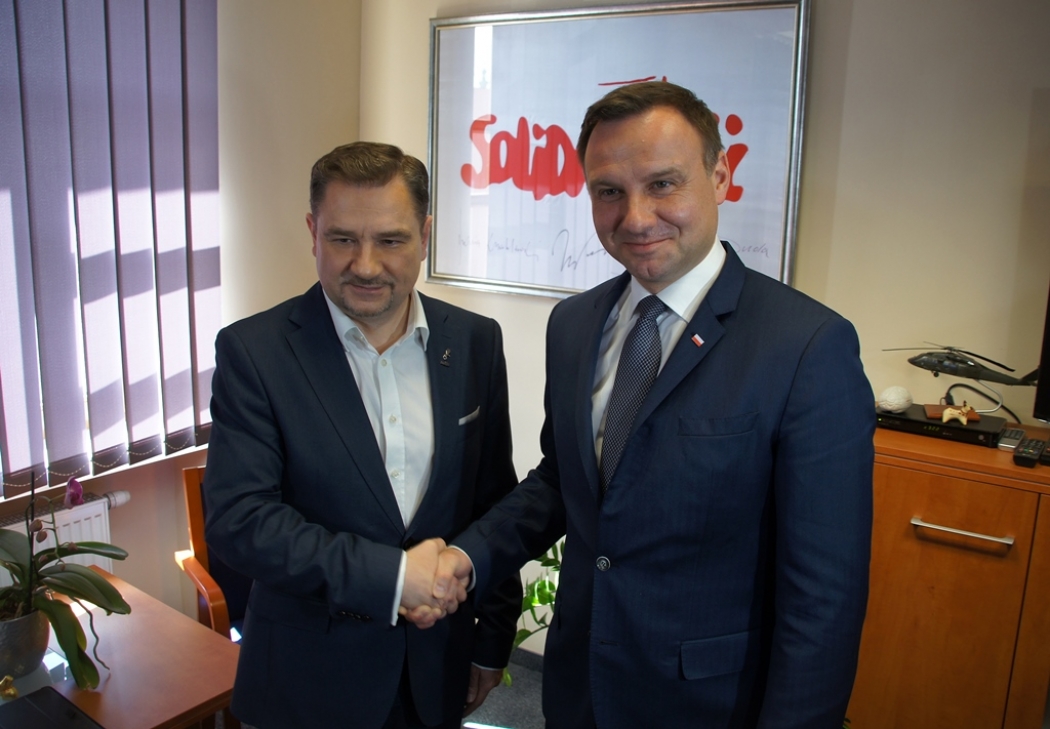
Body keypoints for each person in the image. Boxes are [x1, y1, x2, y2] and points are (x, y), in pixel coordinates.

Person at [434, 81, 875, 728]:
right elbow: (562, 483)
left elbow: (824, 600)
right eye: (609, 191)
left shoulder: (807, 347)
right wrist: (465, 557)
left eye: (663, 184)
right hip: (579, 690)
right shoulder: (574, 324)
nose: (636, 217)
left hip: (709, 706)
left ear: (720, 176)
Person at [203, 142, 521, 729]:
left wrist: (491, 640)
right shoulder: (254, 352)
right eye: (343, 239)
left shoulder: (476, 341)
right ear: (313, 232)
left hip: (436, 669)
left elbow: (493, 501)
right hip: (307, 683)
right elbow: (239, 521)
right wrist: (393, 578)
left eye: (391, 241)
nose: (366, 265)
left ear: (425, 235)